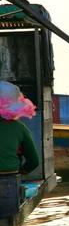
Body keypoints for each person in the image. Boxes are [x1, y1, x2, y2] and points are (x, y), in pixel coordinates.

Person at [0, 81, 39, 217]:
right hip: (9, 181)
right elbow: (34, 161)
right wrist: (21, 171)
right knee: (7, 221)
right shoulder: (19, 128)